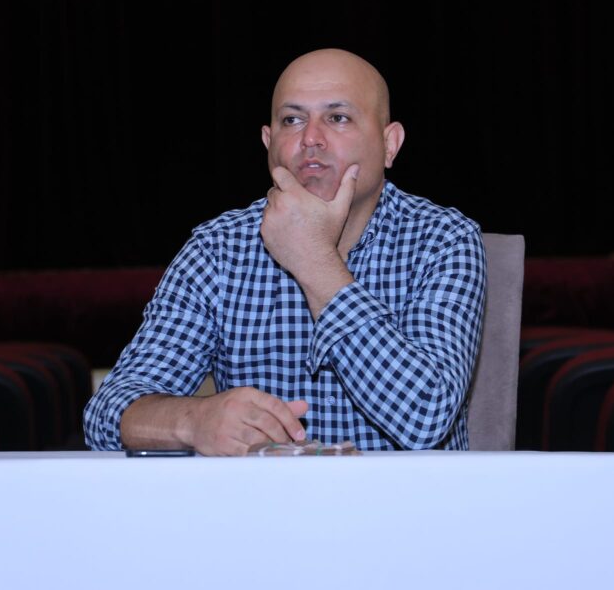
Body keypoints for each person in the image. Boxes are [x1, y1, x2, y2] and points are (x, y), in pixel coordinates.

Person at [84, 48, 486, 454]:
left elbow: (426, 417)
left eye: (338, 118)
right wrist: (193, 421)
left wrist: (314, 260)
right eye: (292, 120)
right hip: (263, 496)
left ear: (389, 144)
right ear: (268, 142)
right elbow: (106, 414)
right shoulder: (218, 249)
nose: (310, 138)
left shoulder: (443, 239)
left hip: (404, 495)